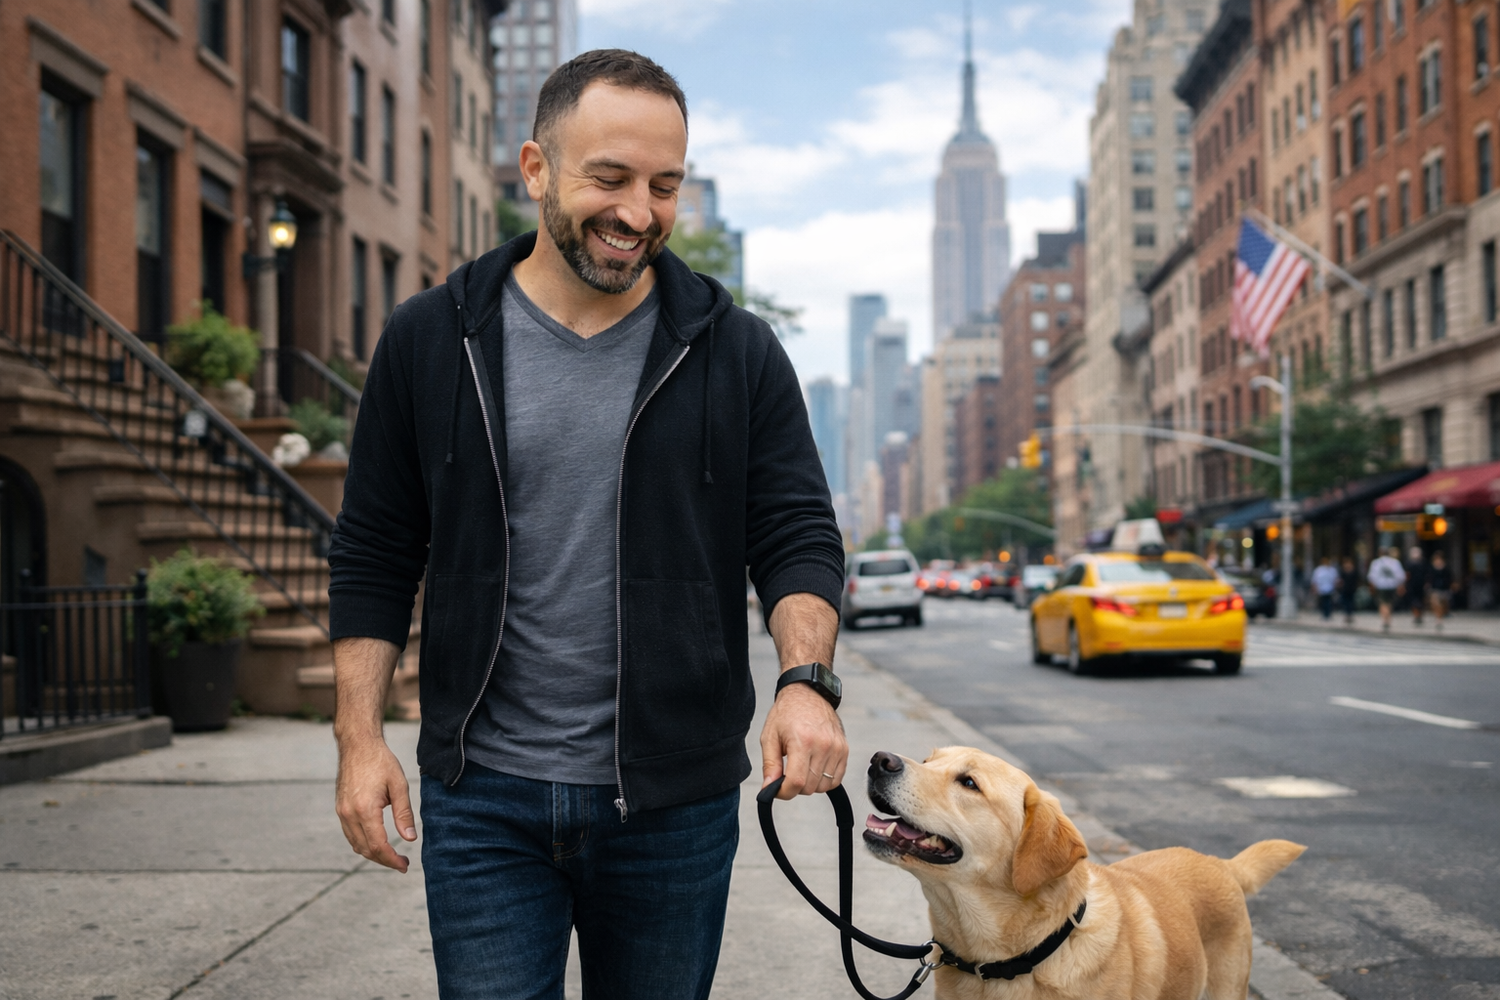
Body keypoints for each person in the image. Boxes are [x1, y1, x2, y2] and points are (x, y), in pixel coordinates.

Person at [326, 50, 848, 999]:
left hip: (673, 803)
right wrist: (360, 743)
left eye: (664, 185)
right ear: (535, 169)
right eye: (608, 178)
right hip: (480, 796)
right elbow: (373, 549)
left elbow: (795, 534)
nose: (638, 212)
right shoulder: (431, 338)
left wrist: (805, 683)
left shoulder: (737, 349)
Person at [1367, 547, 1407, 632]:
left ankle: (1385, 619)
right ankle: (1387, 619)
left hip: (1381, 585)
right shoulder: (1395, 562)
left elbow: (1372, 576)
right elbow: (1401, 575)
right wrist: (1400, 585)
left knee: (1383, 603)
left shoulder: (1376, 563)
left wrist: (1372, 586)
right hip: (1392, 585)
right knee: (1389, 603)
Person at [1429, 551, 1457, 630]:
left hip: (1444, 588)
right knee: (1436, 603)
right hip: (1435, 588)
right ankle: (1438, 619)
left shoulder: (1446, 567)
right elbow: (1429, 577)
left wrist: (1452, 585)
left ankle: (1443, 614)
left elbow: (1450, 577)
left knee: (1443, 604)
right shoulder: (1432, 567)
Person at [1406, 545, 1430, 625]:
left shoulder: (1423, 563)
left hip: (1420, 585)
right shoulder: (1409, 563)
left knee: (1421, 601)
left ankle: (1419, 615)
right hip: (1412, 585)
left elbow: (1427, 574)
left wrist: (1427, 583)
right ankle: (1416, 615)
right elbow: (1407, 574)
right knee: (1413, 601)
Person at [1311, 556, 1340, 621]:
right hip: (1322, 589)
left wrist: (1336, 587)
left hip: (1330, 588)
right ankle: (1324, 614)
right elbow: (1315, 580)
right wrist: (1315, 588)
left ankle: (1328, 614)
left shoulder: (1332, 570)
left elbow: (1335, 579)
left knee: (1329, 602)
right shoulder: (1318, 570)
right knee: (1323, 602)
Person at [1338, 556, 1360, 624]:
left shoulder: (1346, 570)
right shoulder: (1350, 570)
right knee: (1349, 602)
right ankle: (1349, 614)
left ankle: (1348, 614)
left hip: (1348, 588)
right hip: (1350, 588)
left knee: (1348, 602)